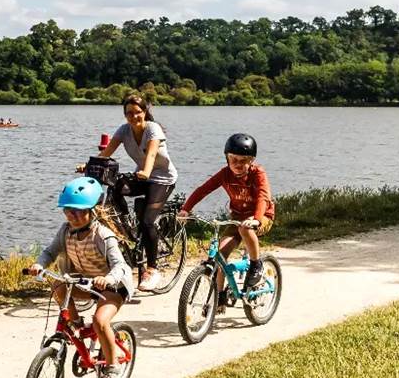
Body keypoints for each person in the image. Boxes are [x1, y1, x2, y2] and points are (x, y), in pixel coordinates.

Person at [25, 176, 134, 378]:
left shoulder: (103, 235)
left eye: (77, 211)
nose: (71, 216)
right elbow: (49, 252)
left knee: (100, 321)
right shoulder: (65, 231)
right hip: (84, 282)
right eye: (67, 211)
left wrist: (109, 279)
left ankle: (112, 368)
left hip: (111, 288)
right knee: (57, 284)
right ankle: (74, 322)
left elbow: (120, 265)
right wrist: (39, 264)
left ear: (91, 211)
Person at [81, 93, 178, 291]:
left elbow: (151, 153)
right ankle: (126, 226)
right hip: (141, 176)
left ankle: (152, 269)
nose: (133, 117)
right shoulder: (124, 130)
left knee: (148, 221)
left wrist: (146, 171)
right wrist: (89, 166)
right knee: (115, 186)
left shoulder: (153, 129)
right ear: (125, 115)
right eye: (129, 113)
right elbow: (106, 154)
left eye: (137, 112)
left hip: (162, 178)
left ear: (145, 112)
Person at [178, 133, 274, 302]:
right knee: (220, 256)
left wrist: (257, 219)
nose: (237, 164)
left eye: (243, 160)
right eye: (233, 159)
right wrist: (186, 209)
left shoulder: (258, 173)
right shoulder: (224, 174)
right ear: (227, 158)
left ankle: (256, 264)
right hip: (237, 217)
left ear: (251, 160)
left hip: (262, 216)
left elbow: (263, 197)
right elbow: (203, 190)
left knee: (245, 228)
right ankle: (220, 296)